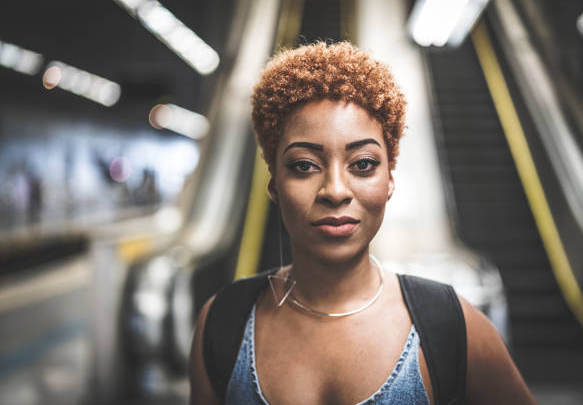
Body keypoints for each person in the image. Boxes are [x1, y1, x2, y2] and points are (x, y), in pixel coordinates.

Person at [190, 42, 536, 405]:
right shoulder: (222, 324)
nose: (336, 191)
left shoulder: (452, 326)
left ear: (389, 180)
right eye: (304, 165)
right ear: (275, 182)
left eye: (363, 164)